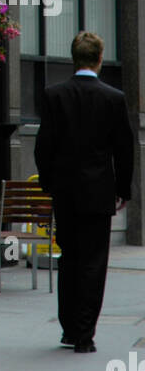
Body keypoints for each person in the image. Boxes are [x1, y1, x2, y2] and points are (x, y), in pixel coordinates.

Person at [35, 31, 134, 353]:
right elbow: (124, 149)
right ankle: (85, 334)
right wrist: (123, 190)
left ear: (74, 58)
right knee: (93, 262)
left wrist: (48, 183)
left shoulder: (53, 95)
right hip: (98, 192)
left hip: (65, 192)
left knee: (69, 258)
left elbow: (43, 146)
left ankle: (68, 328)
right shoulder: (113, 98)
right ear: (100, 59)